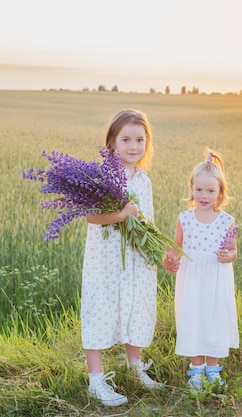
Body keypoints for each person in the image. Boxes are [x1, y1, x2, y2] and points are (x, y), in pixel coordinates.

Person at [81, 109, 163, 407]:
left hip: (137, 258)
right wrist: (122, 214)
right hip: (106, 259)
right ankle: (96, 381)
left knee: (135, 308)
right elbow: (91, 217)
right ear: (112, 143)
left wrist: (157, 248)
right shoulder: (102, 175)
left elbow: (147, 221)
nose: (133, 146)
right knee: (101, 309)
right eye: (126, 139)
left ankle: (135, 368)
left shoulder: (143, 179)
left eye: (140, 139)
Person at [162, 149, 239, 388]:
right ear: (191, 188)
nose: (203, 195)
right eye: (198, 189)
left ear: (220, 192)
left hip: (216, 277)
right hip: (192, 277)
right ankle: (196, 368)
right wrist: (170, 260)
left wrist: (228, 256)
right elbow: (177, 245)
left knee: (215, 318)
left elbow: (234, 251)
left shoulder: (227, 221)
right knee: (193, 317)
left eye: (210, 190)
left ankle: (213, 368)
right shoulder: (185, 218)